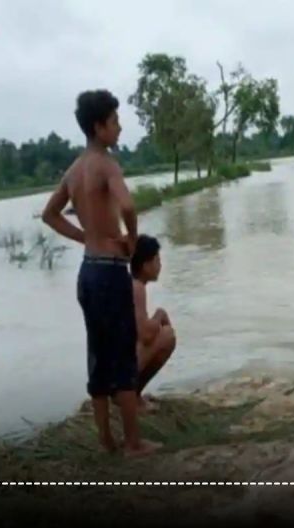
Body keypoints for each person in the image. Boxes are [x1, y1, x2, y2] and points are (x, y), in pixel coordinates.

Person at [41, 90, 160, 457]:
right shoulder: (106, 163)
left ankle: (106, 440)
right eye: (115, 121)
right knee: (123, 357)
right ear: (99, 127)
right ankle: (134, 443)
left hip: (88, 272)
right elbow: (127, 204)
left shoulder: (75, 170)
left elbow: (50, 214)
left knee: (98, 355)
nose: (120, 127)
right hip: (109, 271)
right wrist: (131, 240)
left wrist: (85, 238)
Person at [131, 235, 176, 412]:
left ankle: (134, 394)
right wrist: (160, 315)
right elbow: (146, 335)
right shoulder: (137, 287)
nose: (160, 265)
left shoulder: (130, 284)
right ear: (145, 265)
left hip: (114, 365)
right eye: (157, 260)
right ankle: (130, 397)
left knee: (163, 333)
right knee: (167, 335)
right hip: (119, 371)